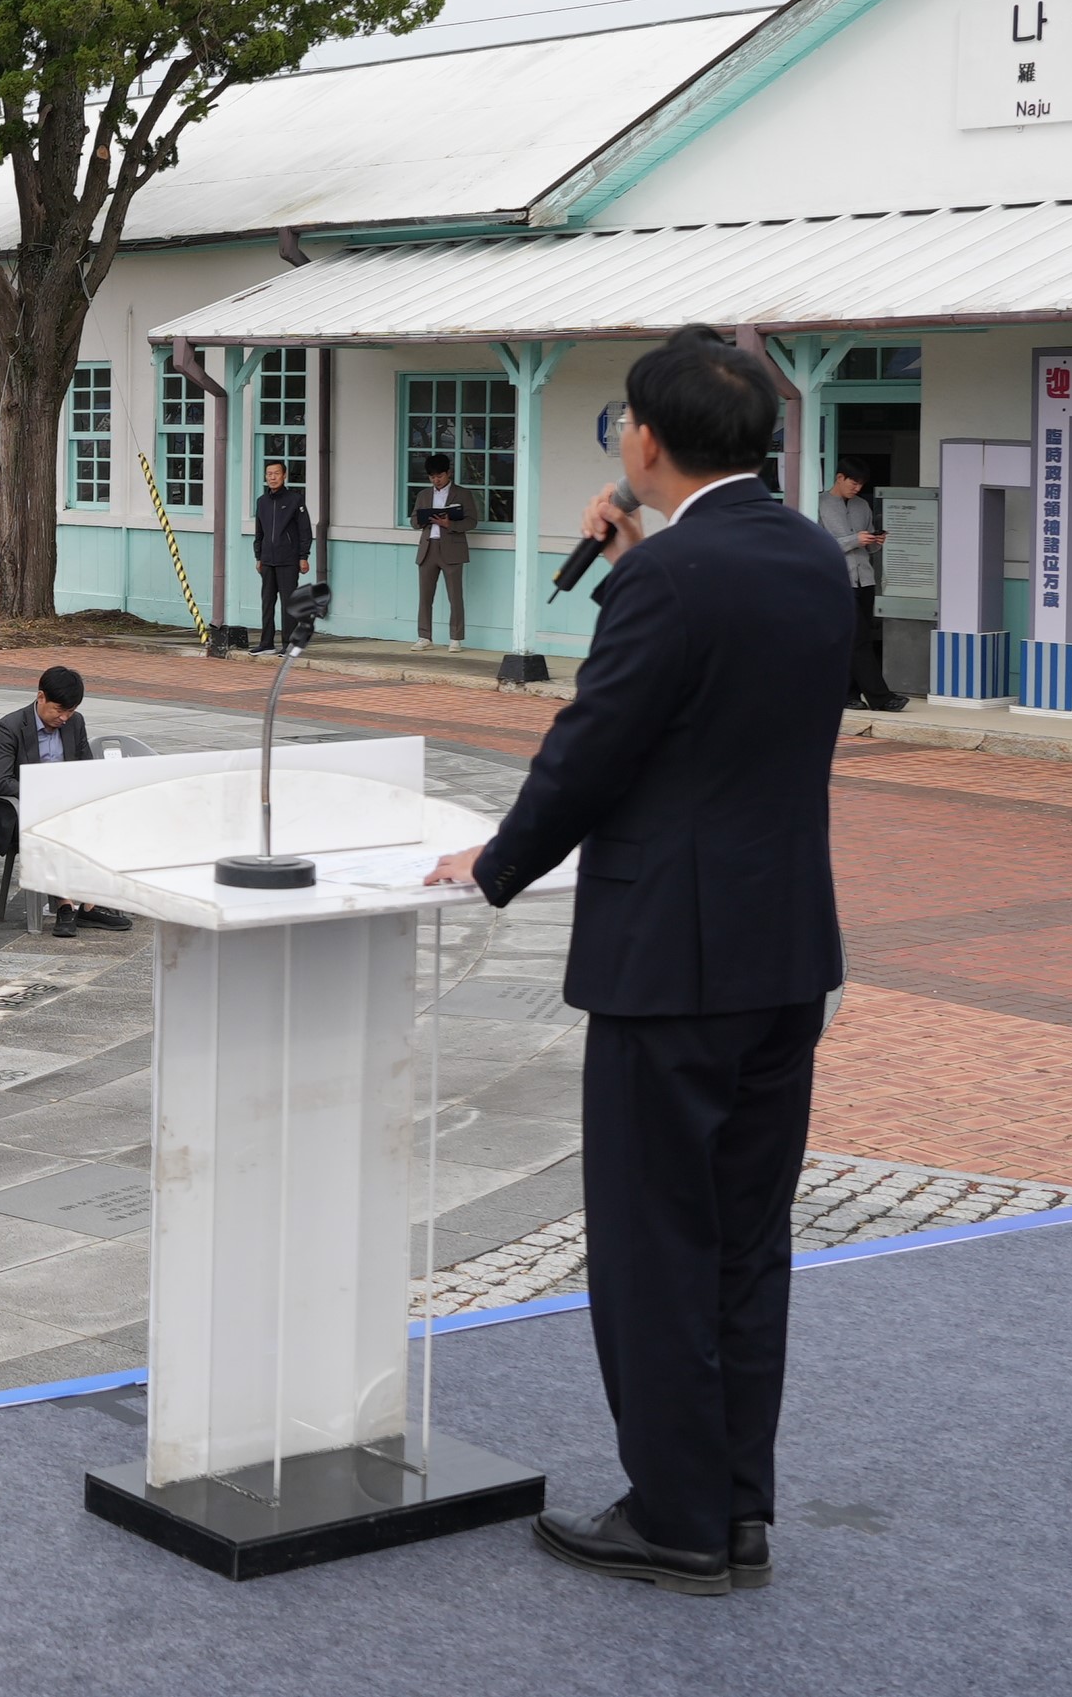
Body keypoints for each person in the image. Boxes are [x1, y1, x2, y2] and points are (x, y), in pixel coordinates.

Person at [428, 325, 848, 1596]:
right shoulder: (809, 553)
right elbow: (714, 699)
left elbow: (596, 743)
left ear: (645, 439)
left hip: (669, 959)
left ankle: (672, 1516)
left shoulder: (670, 577)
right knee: (742, 1242)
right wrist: (634, 564)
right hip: (784, 948)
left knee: (652, 1241)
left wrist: (495, 859)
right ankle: (734, 1506)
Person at [0, 665, 125, 938]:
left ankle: (89, 904)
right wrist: (46, 794)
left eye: (70, 711)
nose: (64, 718)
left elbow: (87, 768)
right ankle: (66, 905)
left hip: (68, 806)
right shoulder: (11, 726)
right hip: (25, 812)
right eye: (59, 710)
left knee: (108, 817)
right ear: (41, 697)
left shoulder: (75, 723)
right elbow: (0, 780)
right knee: (56, 826)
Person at [824, 466, 908, 712]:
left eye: (861, 484)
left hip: (865, 580)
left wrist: (875, 541)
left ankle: (848, 695)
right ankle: (881, 698)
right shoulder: (818, 504)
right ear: (840, 477)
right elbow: (817, 545)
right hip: (836, 582)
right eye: (854, 482)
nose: (857, 488)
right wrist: (855, 540)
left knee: (855, 640)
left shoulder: (862, 506)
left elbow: (868, 548)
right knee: (859, 639)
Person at [412, 454, 474, 649]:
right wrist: (424, 520)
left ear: (449, 473)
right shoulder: (423, 495)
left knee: (455, 596)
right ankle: (424, 637)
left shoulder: (462, 494)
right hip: (428, 547)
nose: (436, 480)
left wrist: (450, 524)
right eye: (432, 477)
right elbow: (413, 521)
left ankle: (455, 638)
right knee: (425, 596)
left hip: (452, 549)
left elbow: (472, 521)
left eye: (439, 476)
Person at [250, 458, 312, 650]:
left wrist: (303, 556)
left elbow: (305, 530)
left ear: (284, 476)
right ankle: (266, 643)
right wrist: (259, 557)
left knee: (288, 603)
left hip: (288, 560)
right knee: (267, 603)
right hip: (267, 560)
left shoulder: (295, 500)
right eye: (269, 474)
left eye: (276, 474)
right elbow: (259, 532)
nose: (272, 477)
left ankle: (288, 644)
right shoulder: (262, 502)